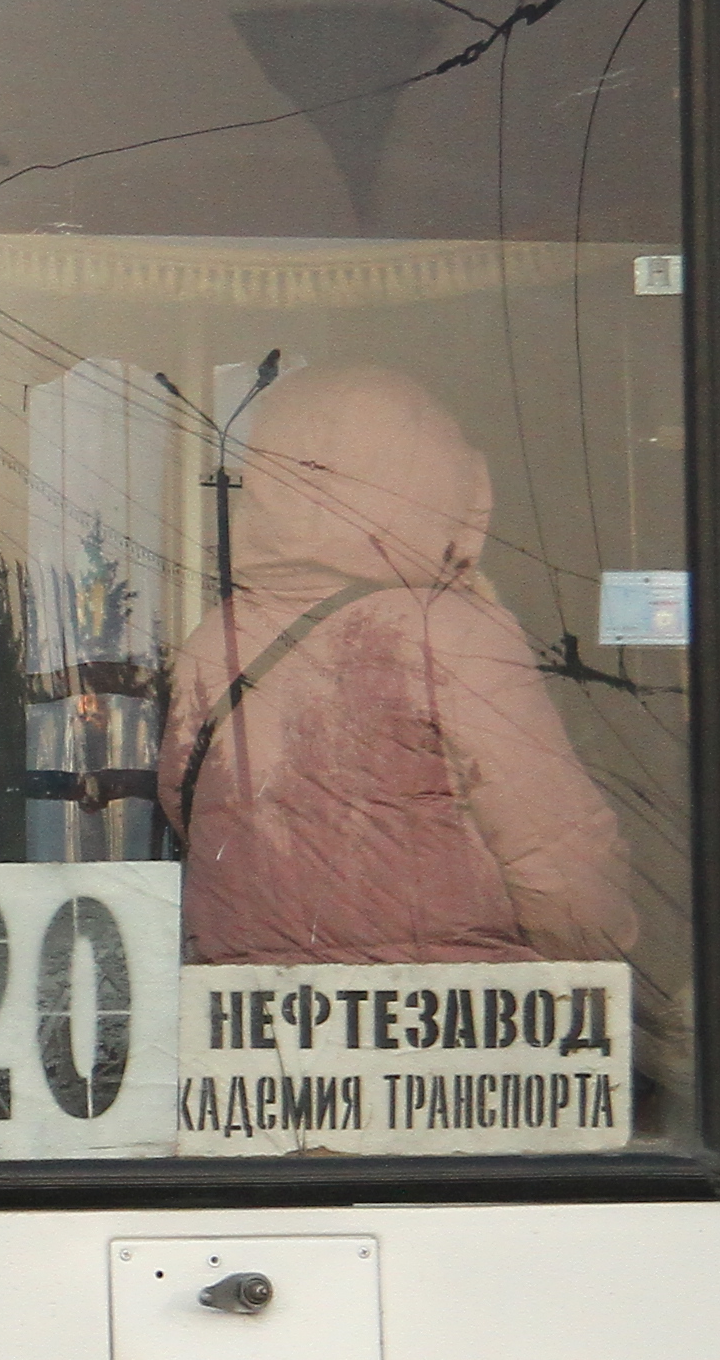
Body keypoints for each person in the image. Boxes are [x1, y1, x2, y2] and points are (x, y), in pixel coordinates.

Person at [158, 363, 632, 967]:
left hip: (259, 1034)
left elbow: (190, 813)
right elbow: (562, 865)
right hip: (440, 1034)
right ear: (430, 478)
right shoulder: (447, 632)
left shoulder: (211, 641)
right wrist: (619, 976)